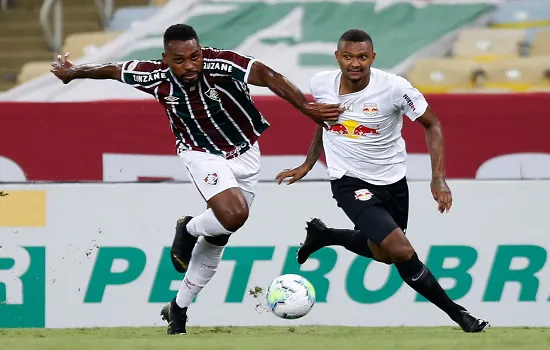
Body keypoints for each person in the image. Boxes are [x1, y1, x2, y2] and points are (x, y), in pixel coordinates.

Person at [51, 24, 343, 335]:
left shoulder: (222, 64)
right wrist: (74, 72)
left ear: (201, 51)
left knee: (220, 236)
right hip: (199, 152)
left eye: (195, 57)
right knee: (234, 214)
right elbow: (110, 69)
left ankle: (178, 307)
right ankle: (189, 229)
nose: (189, 66)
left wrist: (306, 106)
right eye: (179, 60)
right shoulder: (152, 75)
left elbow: (269, 76)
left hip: (245, 152)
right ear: (166, 58)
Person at [275, 29, 489, 332]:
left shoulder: (394, 88)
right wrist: (309, 163)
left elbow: (433, 124)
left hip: (392, 182)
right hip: (348, 181)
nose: (355, 63)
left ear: (372, 58)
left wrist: (438, 178)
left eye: (362, 57)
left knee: (384, 254)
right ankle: (459, 315)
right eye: (348, 56)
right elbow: (324, 123)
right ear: (337, 57)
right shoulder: (320, 83)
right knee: (401, 250)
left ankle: (325, 236)